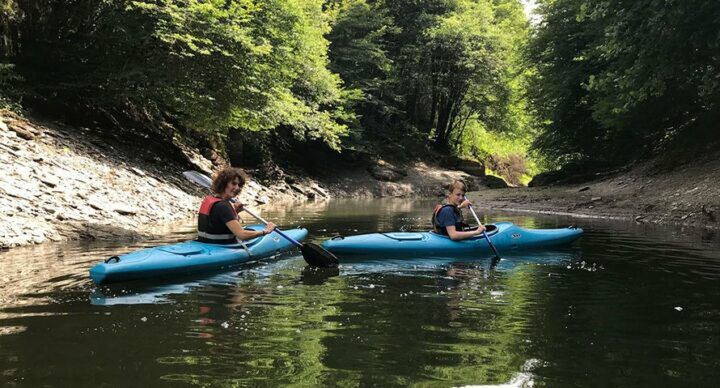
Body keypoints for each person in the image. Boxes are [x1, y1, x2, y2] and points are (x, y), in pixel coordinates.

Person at [197, 167, 275, 244]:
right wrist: (265, 231)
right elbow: (241, 235)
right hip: (221, 246)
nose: (237, 188)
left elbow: (217, 225)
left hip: (205, 243)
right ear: (224, 183)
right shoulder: (223, 206)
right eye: (233, 183)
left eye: (239, 185)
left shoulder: (211, 199)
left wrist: (235, 212)